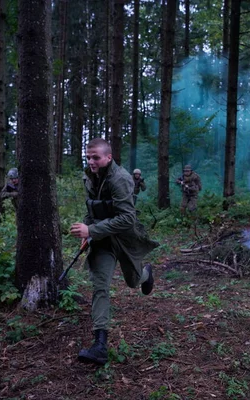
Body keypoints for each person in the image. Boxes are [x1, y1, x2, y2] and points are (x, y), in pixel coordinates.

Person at [70, 138, 159, 365]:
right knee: (100, 286)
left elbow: (127, 219)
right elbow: (92, 208)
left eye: (96, 157)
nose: (91, 161)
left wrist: (92, 229)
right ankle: (100, 345)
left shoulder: (121, 179)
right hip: (102, 240)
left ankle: (146, 274)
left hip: (125, 238)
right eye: (88, 157)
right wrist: (88, 234)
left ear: (108, 157)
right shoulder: (88, 176)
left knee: (133, 281)